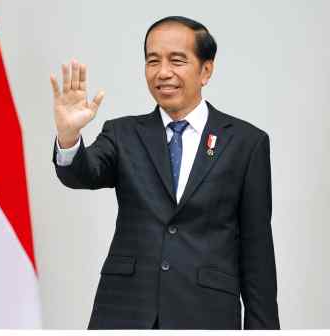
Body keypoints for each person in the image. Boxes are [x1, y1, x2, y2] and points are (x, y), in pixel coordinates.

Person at [50, 16, 279, 329]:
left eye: (177, 60)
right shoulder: (123, 133)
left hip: (206, 314)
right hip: (125, 313)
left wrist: (264, 331)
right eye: (152, 60)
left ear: (206, 70)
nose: (163, 72)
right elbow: (82, 173)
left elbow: (257, 251)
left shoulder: (245, 142)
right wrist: (68, 137)